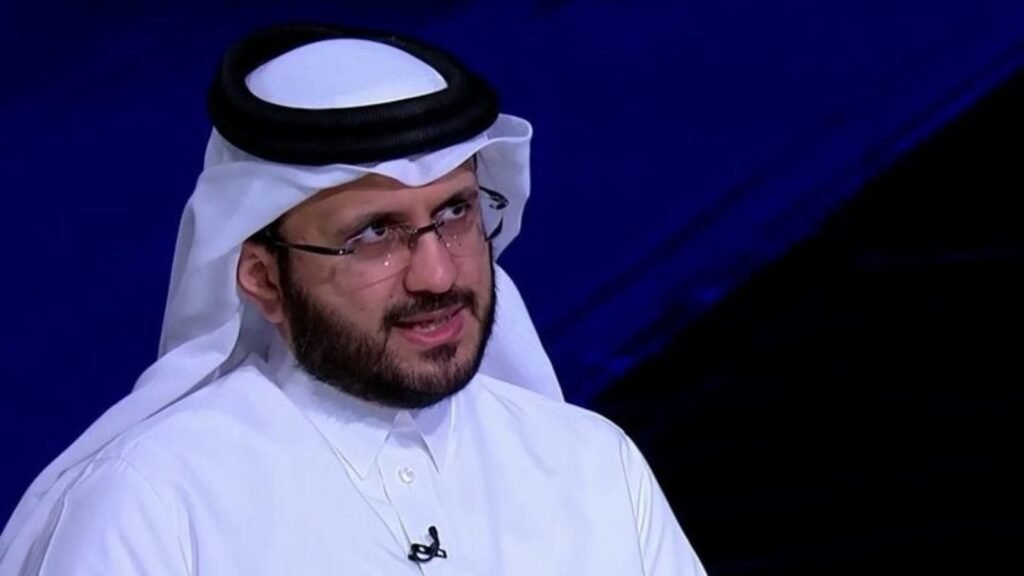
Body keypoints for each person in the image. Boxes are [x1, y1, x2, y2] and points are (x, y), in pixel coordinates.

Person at [0, 22, 707, 575]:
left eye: (457, 213)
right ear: (263, 279)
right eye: (374, 233)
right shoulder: (152, 500)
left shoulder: (589, 463)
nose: (436, 274)